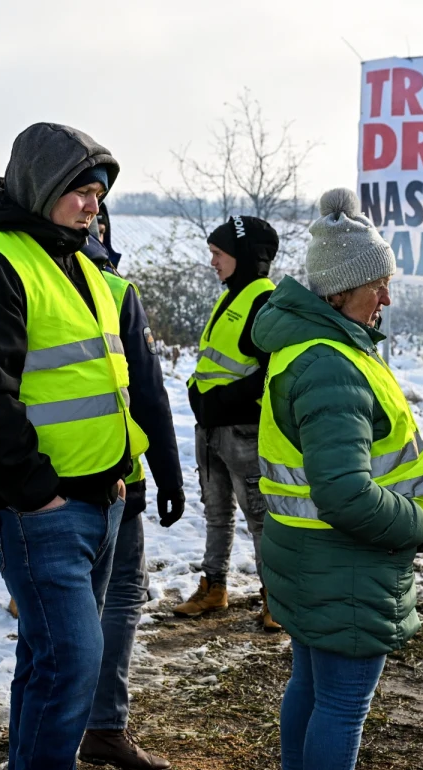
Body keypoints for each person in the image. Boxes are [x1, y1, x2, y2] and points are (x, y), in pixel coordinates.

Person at [0, 122, 137, 770]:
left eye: (98, 194)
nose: (92, 205)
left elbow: (103, 381)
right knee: (72, 662)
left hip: (97, 499)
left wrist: (125, 470)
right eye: (80, 190)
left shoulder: (78, 262)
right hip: (38, 508)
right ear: (40, 186)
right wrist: (35, 489)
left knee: (50, 661)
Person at [251, 188, 423, 770]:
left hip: (312, 555)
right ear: (340, 292)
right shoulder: (331, 365)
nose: (388, 298)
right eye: (379, 285)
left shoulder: (325, 349)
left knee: (312, 690)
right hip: (344, 559)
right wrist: (421, 527)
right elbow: (343, 491)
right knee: (341, 705)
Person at [75, 215, 184, 770]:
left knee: (63, 616)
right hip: (120, 479)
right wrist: (169, 475)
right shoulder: (115, 289)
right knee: (117, 602)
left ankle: (50, 725)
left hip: (47, 484)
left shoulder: (14, 277)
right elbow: (148, 393)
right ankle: (103, 725)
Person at [176, 215, 281, 631]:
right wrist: (196, 393)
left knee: (260, 518)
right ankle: (214, 587)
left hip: (243, 432)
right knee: (216, 513)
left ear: (243, 256)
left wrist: (222, 401)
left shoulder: (264, 300)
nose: (213, 262)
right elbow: (213, 359)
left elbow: (272, 371)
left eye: (218, 254)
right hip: (211, 429)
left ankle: (277, 598)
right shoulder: (232, 296)